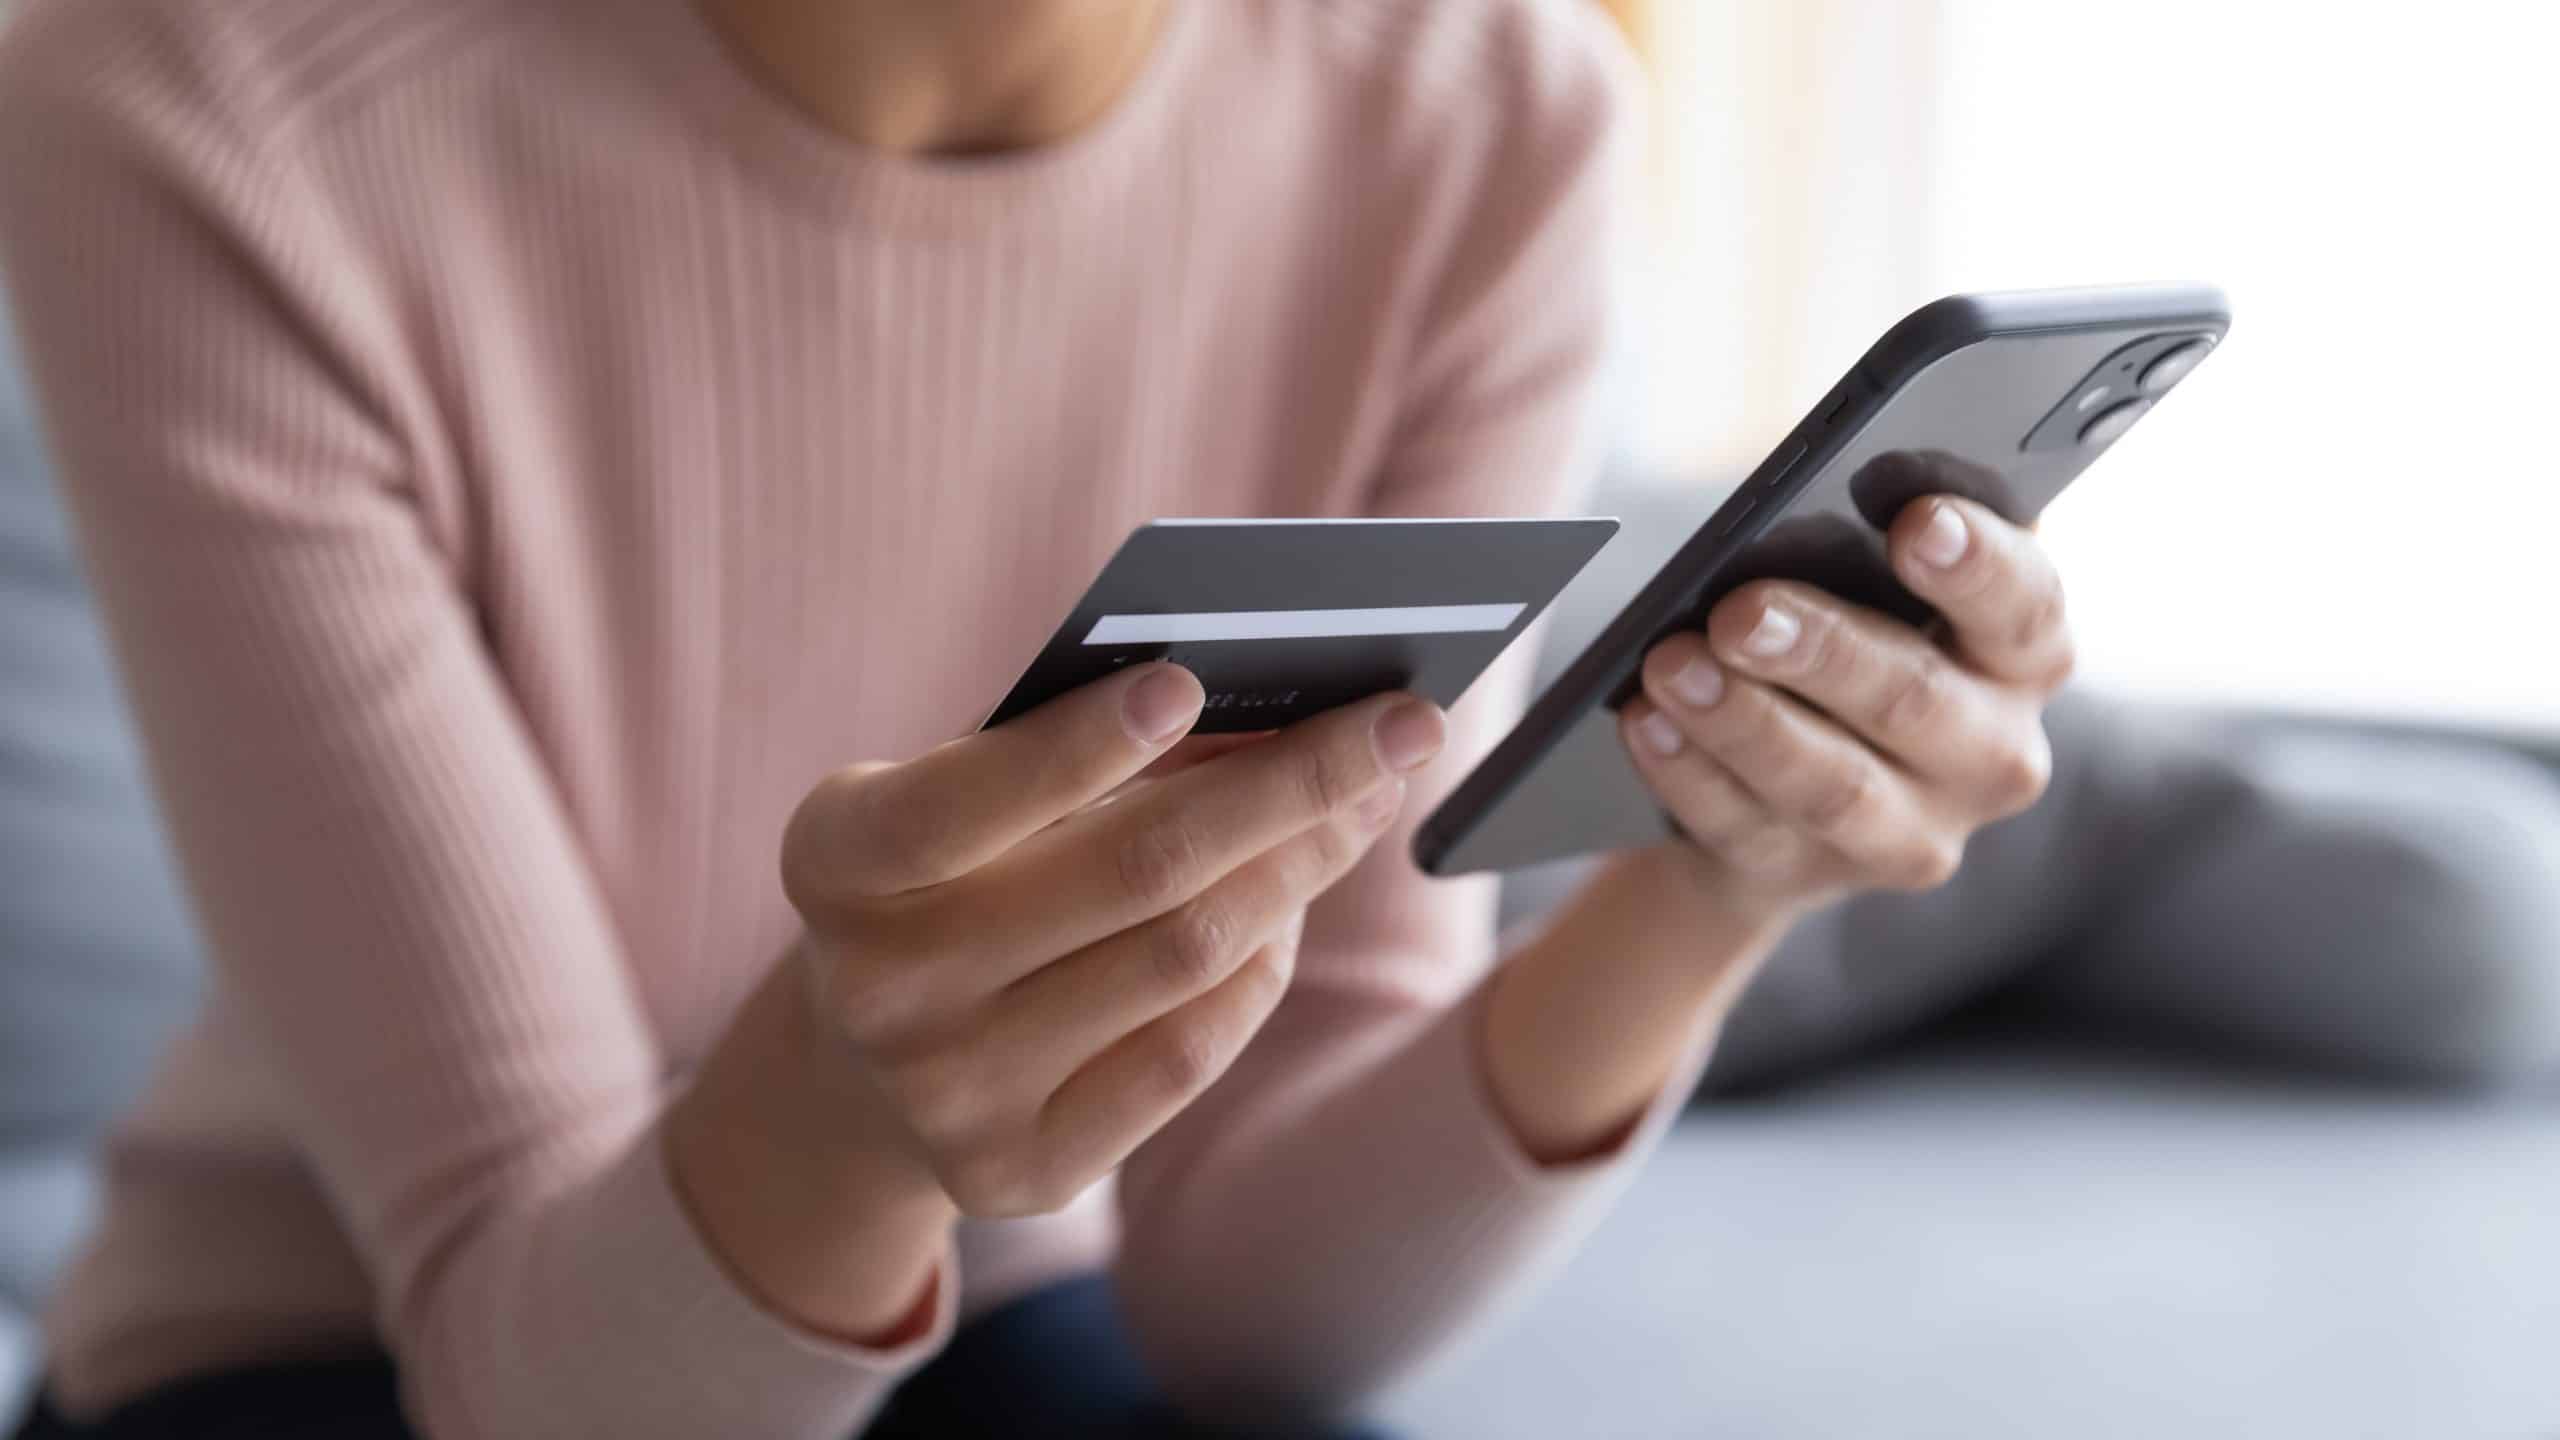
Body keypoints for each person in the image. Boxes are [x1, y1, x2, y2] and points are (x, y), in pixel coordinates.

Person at [5, 1, 2549, 1437]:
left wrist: (1702, 897)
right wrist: (845, 1112)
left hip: (1014, 1324)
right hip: (347, 1358)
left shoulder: (1477, 113)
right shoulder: (190, 97)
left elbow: (1242, 1316)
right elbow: (528, 1365)